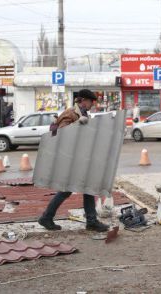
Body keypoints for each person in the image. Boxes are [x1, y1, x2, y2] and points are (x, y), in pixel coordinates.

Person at [38, 89, 109, 232]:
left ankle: (91, 221)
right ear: (83, 100)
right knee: (68, 190)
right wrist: (77, 124)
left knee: (86, 188)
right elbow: (63, 135)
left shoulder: (83, 114)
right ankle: (47, 217)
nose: (92, 105)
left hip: (79, 158)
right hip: (70, 160)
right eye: (91, 102)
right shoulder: (71, 113)